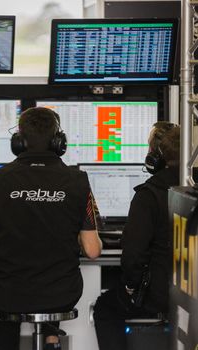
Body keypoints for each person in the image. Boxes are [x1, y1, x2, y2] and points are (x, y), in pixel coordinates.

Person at [0, 107, 102, 350]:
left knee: (9, 300)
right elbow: (93, 250)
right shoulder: (78, 181)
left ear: (19, 142)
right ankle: (51, 340)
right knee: (46, 284)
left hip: (6, 293)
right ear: (58, 142)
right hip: (62, 294)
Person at [93, 121, 180, 350]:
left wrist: (131, 288)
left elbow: (133, 254)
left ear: (155, 158)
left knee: (105, 307)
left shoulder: (149, 195)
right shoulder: (191, 188)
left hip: (160, 296)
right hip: (191, 296)